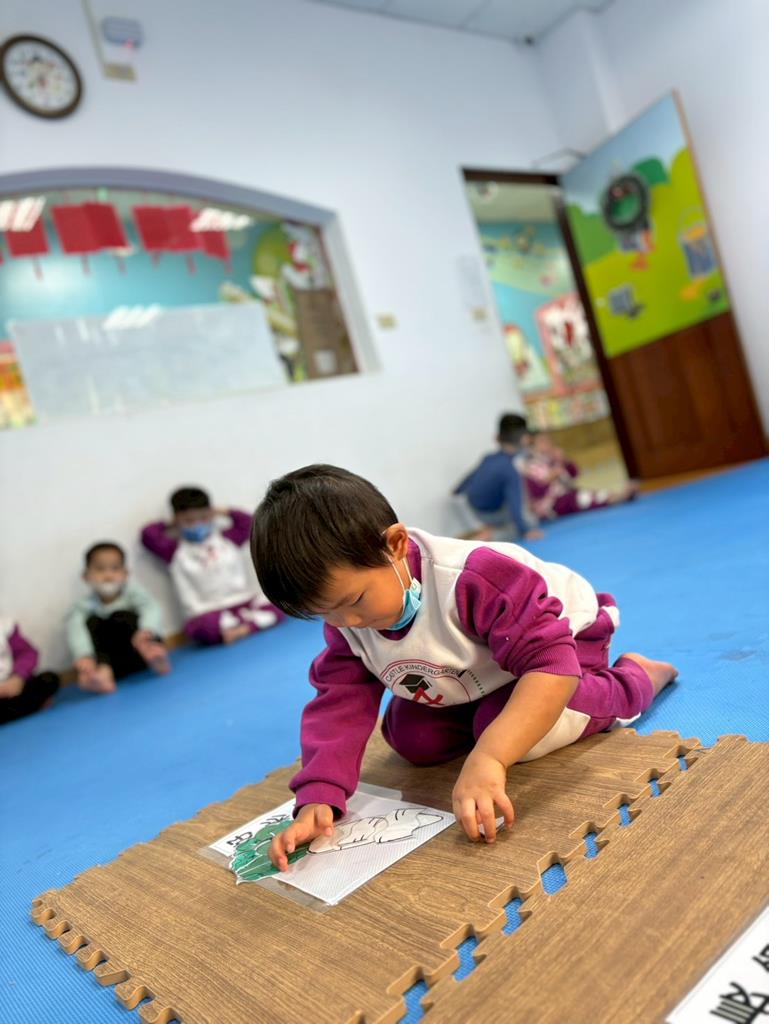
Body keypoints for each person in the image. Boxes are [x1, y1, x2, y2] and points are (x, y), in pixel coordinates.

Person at [250, 464, 677, 870]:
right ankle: (491, 714)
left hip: (565, 645)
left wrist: (490, 757)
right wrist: (318, 795)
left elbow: (551, 667)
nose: (348, 623)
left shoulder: (474, 578)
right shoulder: (349, 621)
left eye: (355, 601)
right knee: (412, 737)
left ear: (394, 545)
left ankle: (633, 680)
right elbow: (339, 700)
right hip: (480, 668)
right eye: (326, 614)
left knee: (517, 736)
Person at [141, 486, 284, 646]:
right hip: (206, 613)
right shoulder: (174, 550)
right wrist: (170, 522)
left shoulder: (227, 539)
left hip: (242, 601)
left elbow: (248, 521)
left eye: (203, 518)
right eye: (188, 521)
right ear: (177, 520)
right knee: (202, 628)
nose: (197, 524)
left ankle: (243, 628)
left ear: (211, 514)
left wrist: (221, 511)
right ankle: (246, 623)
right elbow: (148, 535)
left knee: (278, 602)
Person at [67, 542, 170, 694]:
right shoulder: (83, 606)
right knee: (92, 622)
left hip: (138, 651)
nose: (108, 576)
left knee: (122, 617)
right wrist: (84, 655)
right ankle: (103, 676)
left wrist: (147, 630)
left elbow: (152, 608)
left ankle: (154, 657)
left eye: (115, 568)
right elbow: (75, 629)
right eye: (100, 569)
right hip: (112, 662)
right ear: (86, 575)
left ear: (126, 573)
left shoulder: (133, 594)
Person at [453, 413, 543, 542]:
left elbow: (464, 483)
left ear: (497, 438)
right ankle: (486, 537)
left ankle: (488, 527)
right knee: (529, 522)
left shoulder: (488, 458)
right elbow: (515, 505)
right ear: (524, 439)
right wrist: (526, 531)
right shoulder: (510, 470)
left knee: (517, 516)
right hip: (490, 513)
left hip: (473, 506)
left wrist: (456, 492)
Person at [521, 432, 638, 521]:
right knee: (580, 498)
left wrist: (565, 461)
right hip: (550, 505)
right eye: (542, 442)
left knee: (584, 494)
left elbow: (574, 474)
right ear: (534, 446)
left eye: (548, 441)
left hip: (566, 495)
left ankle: (615, 496)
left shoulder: (553, 459)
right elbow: (536, 492)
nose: (547, 444)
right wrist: (552, 475)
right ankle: (617, 498)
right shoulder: (532, 465)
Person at [0, 617, 60, 724]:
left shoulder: (5, 626)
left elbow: (27, 653)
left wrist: (18, 676)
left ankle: (21, 709)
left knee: (49, 679)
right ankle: (31, 707)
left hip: (13, 686)